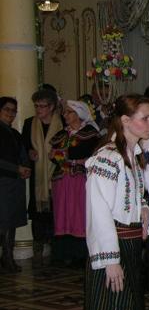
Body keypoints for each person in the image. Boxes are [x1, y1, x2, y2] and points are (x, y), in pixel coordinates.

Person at [76, 94, 149, 310]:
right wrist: (110, 260)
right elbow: (98, 210)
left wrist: (144, 210)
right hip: (114, 248)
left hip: (131, 246)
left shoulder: (132, 155)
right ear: (125, 121)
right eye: (145, 118)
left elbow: (131, 196)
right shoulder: (108, 157)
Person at [50, 100, 101, 266]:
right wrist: (60, 157)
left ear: (79, 114)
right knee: (61, 214)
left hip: (80, 179)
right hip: (62, 179)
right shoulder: (62, 134)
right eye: (64, 112)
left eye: (69, 112)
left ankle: (80, 255)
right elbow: (53, 155)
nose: (65, 115)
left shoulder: (90, 134)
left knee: (79, 213)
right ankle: (62, 254)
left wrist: (77, 161)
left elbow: (95, 156)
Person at [22, 88, 63, 267]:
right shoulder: (29, 123)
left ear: (52, 106)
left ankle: (56, 250)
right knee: (38, 213)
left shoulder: (62, 123)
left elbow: (67, 148)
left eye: (42, 106)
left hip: (56, 174)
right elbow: (24, 146)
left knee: (56, 212)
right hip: (38, 177)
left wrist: (57, 155)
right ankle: (38, 251)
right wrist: (29, 152)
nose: (38, 109)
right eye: (36, 106)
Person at [0, 97, 31, 273]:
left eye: (13, 110)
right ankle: (7, 258)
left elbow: (22, 154)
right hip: (3, 182)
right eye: (7, 109)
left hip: (15, 183)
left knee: (10, 221)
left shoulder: (15, 133)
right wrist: (16, 168)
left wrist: (26, 167)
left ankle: (7, 257)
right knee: (4, 221)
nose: (10, 113)